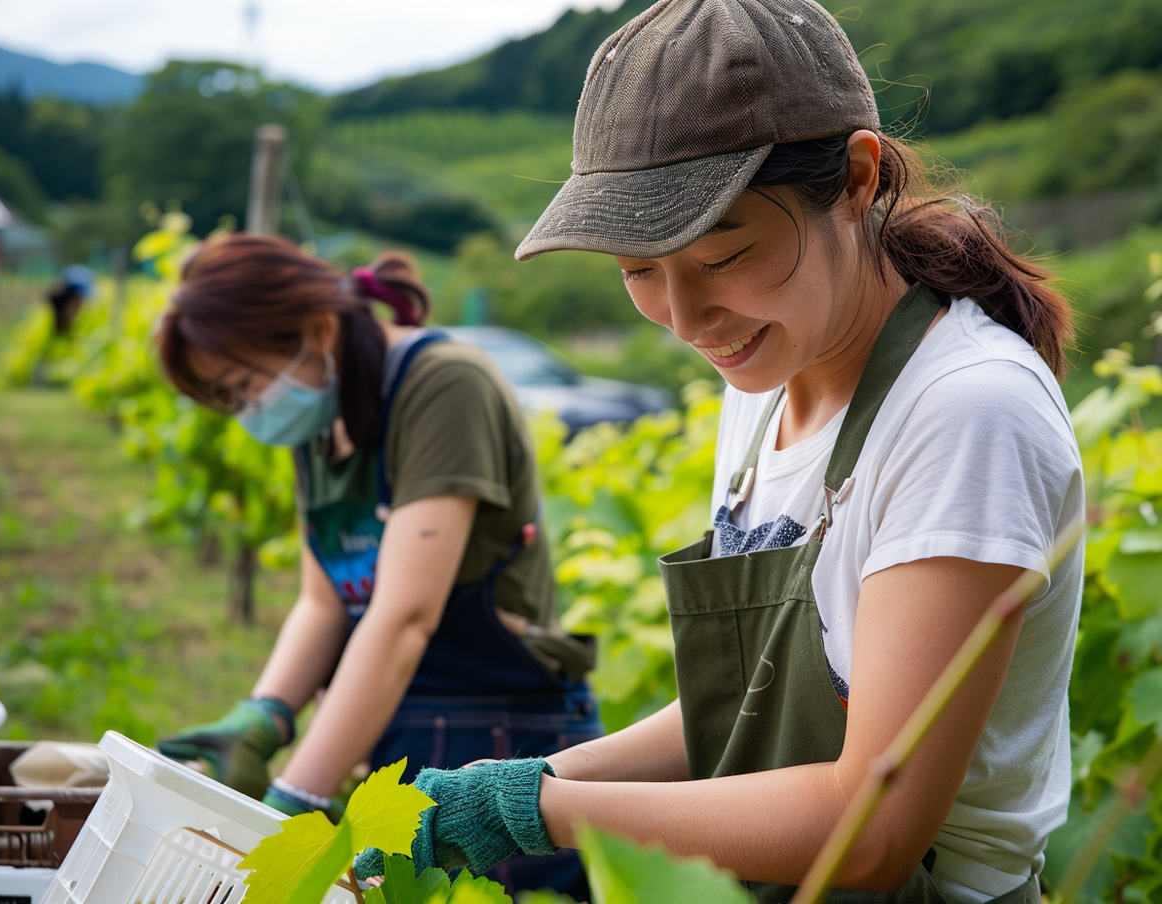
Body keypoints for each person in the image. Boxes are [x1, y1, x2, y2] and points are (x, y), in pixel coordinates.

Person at [353, 2, 1084, 904]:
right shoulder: (766, 379)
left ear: (856, 180)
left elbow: (872, 830)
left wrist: (542, 809)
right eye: (637, 271)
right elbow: (753, 702)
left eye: (723, 257)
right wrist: (525, 781)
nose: (685, 319)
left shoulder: (965, 410)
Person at [153, 236, 600, 899]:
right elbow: (324, 601)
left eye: (246, 386)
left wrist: (295, 799)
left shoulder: (444, 384)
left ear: (315, 330)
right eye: (231, 400)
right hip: (399, 722)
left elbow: (403, 615)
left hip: (498, 740)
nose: (251, 411)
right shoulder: (323, 419)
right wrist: (266, 715)